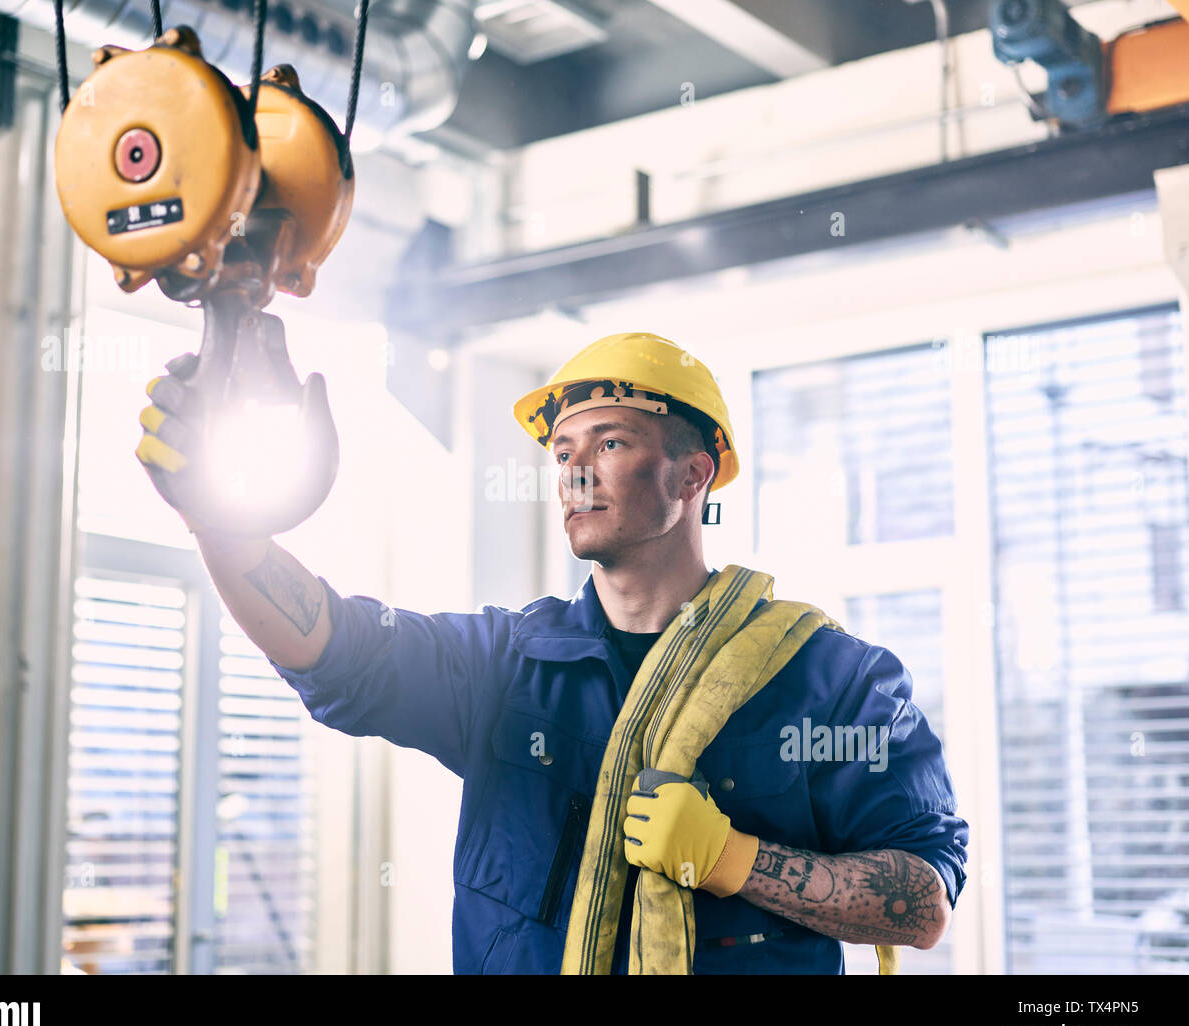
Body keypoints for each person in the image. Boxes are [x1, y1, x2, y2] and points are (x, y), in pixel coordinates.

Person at [136, 330, 969, 974]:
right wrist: (216, 522)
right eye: (563, 453)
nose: (575, 472)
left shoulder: (831, 680)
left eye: (608, 444)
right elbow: (333, 646)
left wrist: (734, 858)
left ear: (691, 477)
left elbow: (922, 902)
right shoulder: (508, 667)